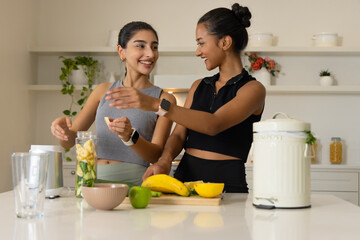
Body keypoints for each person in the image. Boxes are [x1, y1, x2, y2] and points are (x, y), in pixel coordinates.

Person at [105, 3, 265, 193]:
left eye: (201, 43)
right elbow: (180, 134)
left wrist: (157, 104)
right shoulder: (199, 86)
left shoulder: (253, 89)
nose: (198, 52)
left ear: (225, 43)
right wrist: (164, 161)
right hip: (184, 179)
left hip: (228, 184)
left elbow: (213, 124)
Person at [50, 21, 175, 186]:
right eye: (141, 46)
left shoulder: (164, 99)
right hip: (94, 181)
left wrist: (130, 136)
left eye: (154, 47)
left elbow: (155, 154)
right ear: (121, 51)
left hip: (135, 182)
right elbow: (70, 140)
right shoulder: (102, 91)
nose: (150, 54)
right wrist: (63, 131)